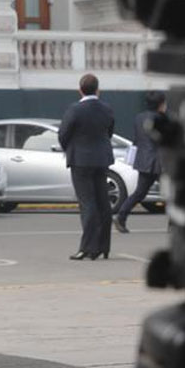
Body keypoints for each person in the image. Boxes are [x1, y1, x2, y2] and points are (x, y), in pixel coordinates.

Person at [58, 73, 115, 260]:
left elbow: (63, 134)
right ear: (98, 90)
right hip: (102, 158)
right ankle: (103, 246)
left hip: (81, 161)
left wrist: (71, 149)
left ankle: (88, 247)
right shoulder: (107, 108)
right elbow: (109, 132)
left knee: (88, 204)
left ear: (80, 90)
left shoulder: (75, 109)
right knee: (103, 202)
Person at [114, 91, 167, 233]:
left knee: (139, 193)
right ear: (161, 104)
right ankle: (174, 226)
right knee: (171, 194)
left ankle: (121, 217)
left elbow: (138, 139)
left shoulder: (139, 117)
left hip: (144, 159)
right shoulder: (162, 118)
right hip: (160, 161)